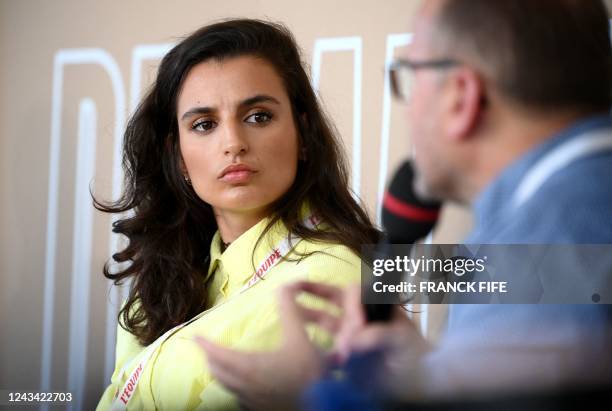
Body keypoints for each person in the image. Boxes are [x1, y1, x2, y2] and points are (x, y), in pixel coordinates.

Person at [198, 0, 612, 408]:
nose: (409, 109)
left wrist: (309, 397)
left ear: (460, 97)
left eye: (410, 79)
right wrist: (429, 373)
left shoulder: (554, 234)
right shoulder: (563, 210)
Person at [94, 18, 379, 410]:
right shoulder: (166, 274)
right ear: (177, 156)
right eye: (204, 124)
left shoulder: (332, 277)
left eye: (258, 116)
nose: (233, 143)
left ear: (303, 134)